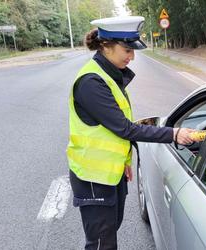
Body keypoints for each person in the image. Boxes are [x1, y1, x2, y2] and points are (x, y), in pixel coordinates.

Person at [66, 16, 196, 250]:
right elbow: (125, 128)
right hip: (94, 177)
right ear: (106, 46)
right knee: (100, 244)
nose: (132, 56)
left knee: (109, 233)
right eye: (127, 49)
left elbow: (112, 129)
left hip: (110, 172)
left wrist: (124, 160)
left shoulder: (110, 74)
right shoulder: (91, 82)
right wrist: (173, 134)